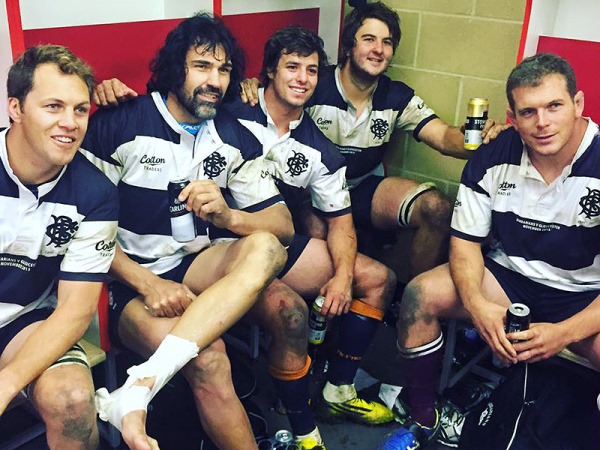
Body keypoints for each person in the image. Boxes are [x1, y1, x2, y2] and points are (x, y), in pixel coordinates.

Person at [80, 13, 289, 450]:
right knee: (210, 358)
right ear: (176, 68)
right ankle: (140, 388)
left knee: (267, 248)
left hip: (195, 263)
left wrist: (229, 216)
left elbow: (282, 227)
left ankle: (139, 387)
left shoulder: (234, 135)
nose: (215, 80)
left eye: (225, 69)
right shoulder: (120, 123)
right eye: (202, 66)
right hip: (127, 281)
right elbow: (82, 231)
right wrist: (147, 281)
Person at [385, 52, 600, 449]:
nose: (543, 122)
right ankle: (425, 417)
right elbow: (464, 245)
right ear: (512, 116)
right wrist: (479, 307)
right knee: (419, 294)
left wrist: (565, 333)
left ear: (578, 103)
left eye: (555, 105)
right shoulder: (492, 157)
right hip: (509, 280)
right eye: (529, 111)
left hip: (584, 295)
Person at [239, 2, 508, 280]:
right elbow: (276, 96)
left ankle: (409, 299)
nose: (378, 49)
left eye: (387, 42)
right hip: (313, 193)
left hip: (362, 186)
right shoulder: (315, 82)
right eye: (369, 39)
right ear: (348, 46)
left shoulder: (396, 96)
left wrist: (478, 139)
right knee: (319, 229)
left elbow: (442, 136)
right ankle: (322, 306)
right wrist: (249, 86)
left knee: (437, 209)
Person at [224, 25, 397, 443]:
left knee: (377, 279)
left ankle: (338, 388)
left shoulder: (321, 150)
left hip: (279, 242)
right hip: (222, 243)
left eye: (312, 70)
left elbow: (341, 223)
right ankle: (303, 428)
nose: (302, 78)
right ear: (268, 71)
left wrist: (341, 276)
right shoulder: (230, 111)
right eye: (292, 67)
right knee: (291, 311)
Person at [0, 45, 119, 449]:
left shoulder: (96, 192)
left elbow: (74, 310)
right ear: (15, 108)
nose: (69, 123)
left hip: (22, 320)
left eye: (80, 110)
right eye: (53, 106)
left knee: (72, 399)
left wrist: (7, 382)